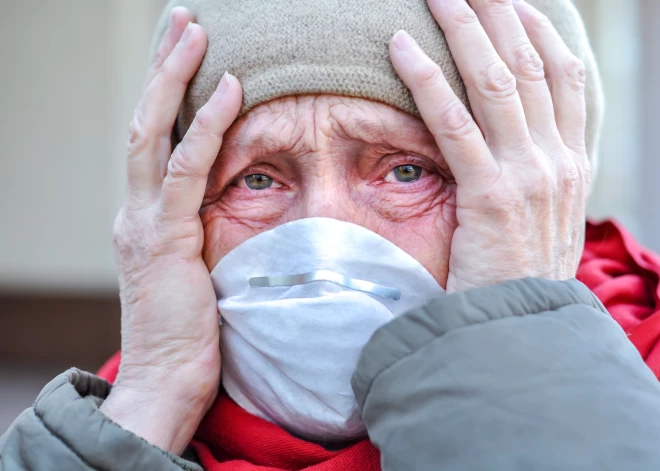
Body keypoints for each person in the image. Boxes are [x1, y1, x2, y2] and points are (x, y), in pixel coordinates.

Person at [3, 0, 660, 469]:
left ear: (538, 196)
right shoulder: (103, 425)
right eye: (256, 180)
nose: (325, 236)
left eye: (407, 172)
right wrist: (150, 399)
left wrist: (516, 349)